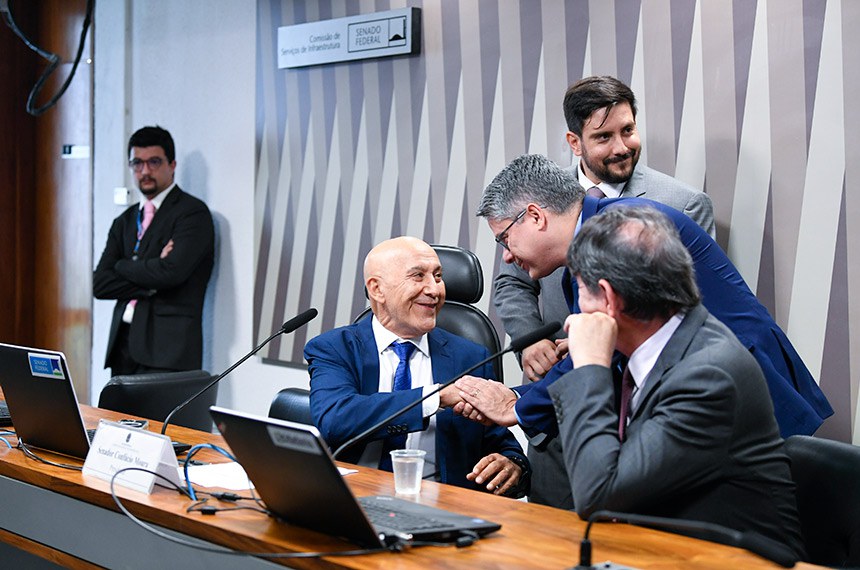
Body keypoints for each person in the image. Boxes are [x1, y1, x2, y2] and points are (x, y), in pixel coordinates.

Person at [455, 155, 831, 491]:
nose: (506, 256)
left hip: (730, 390)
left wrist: (516, 407)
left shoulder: (617, 235)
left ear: (535, 216)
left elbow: (594, 355)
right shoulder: (602, 228)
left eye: (504, 239)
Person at [525, 206, 804, 559]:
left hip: (733, 563)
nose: (573, 317)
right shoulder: (659, 345)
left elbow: (598, 494)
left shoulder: (707, 375)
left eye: (580, 290)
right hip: (658, 548)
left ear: (608, 299)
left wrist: (589, 366)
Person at [494, 76, 715, 507]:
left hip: (637, 402)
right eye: (603, 136)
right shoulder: (535, 197)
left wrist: (525, 399)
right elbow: (512, 282)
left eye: (628, 131)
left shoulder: (679, 204)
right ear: (574, 142)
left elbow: (676, 312)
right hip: (557, 398)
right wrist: (533, 340)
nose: (620, 147)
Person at [304, 237, 529, 497]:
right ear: (377, 289)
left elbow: (502, 444)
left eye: (438, 276)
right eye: (418, 276)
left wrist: (512, 464)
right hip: (355, 498)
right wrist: (435, 397)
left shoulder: (470, 357)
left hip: (442, 504)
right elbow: (335, 420)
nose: (435, 290)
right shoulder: (335, 348)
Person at [94, 126, 215, 376]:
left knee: (159, 417)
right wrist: (152, 275)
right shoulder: (125, 221)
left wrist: (123, 265)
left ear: (172, 165)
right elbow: (100, 284)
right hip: (122, 347)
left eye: (154, 162)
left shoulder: (192, 213)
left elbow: (171, 273)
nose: (145, 171)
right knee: (113, 417)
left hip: (167, 353)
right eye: (137, 163)